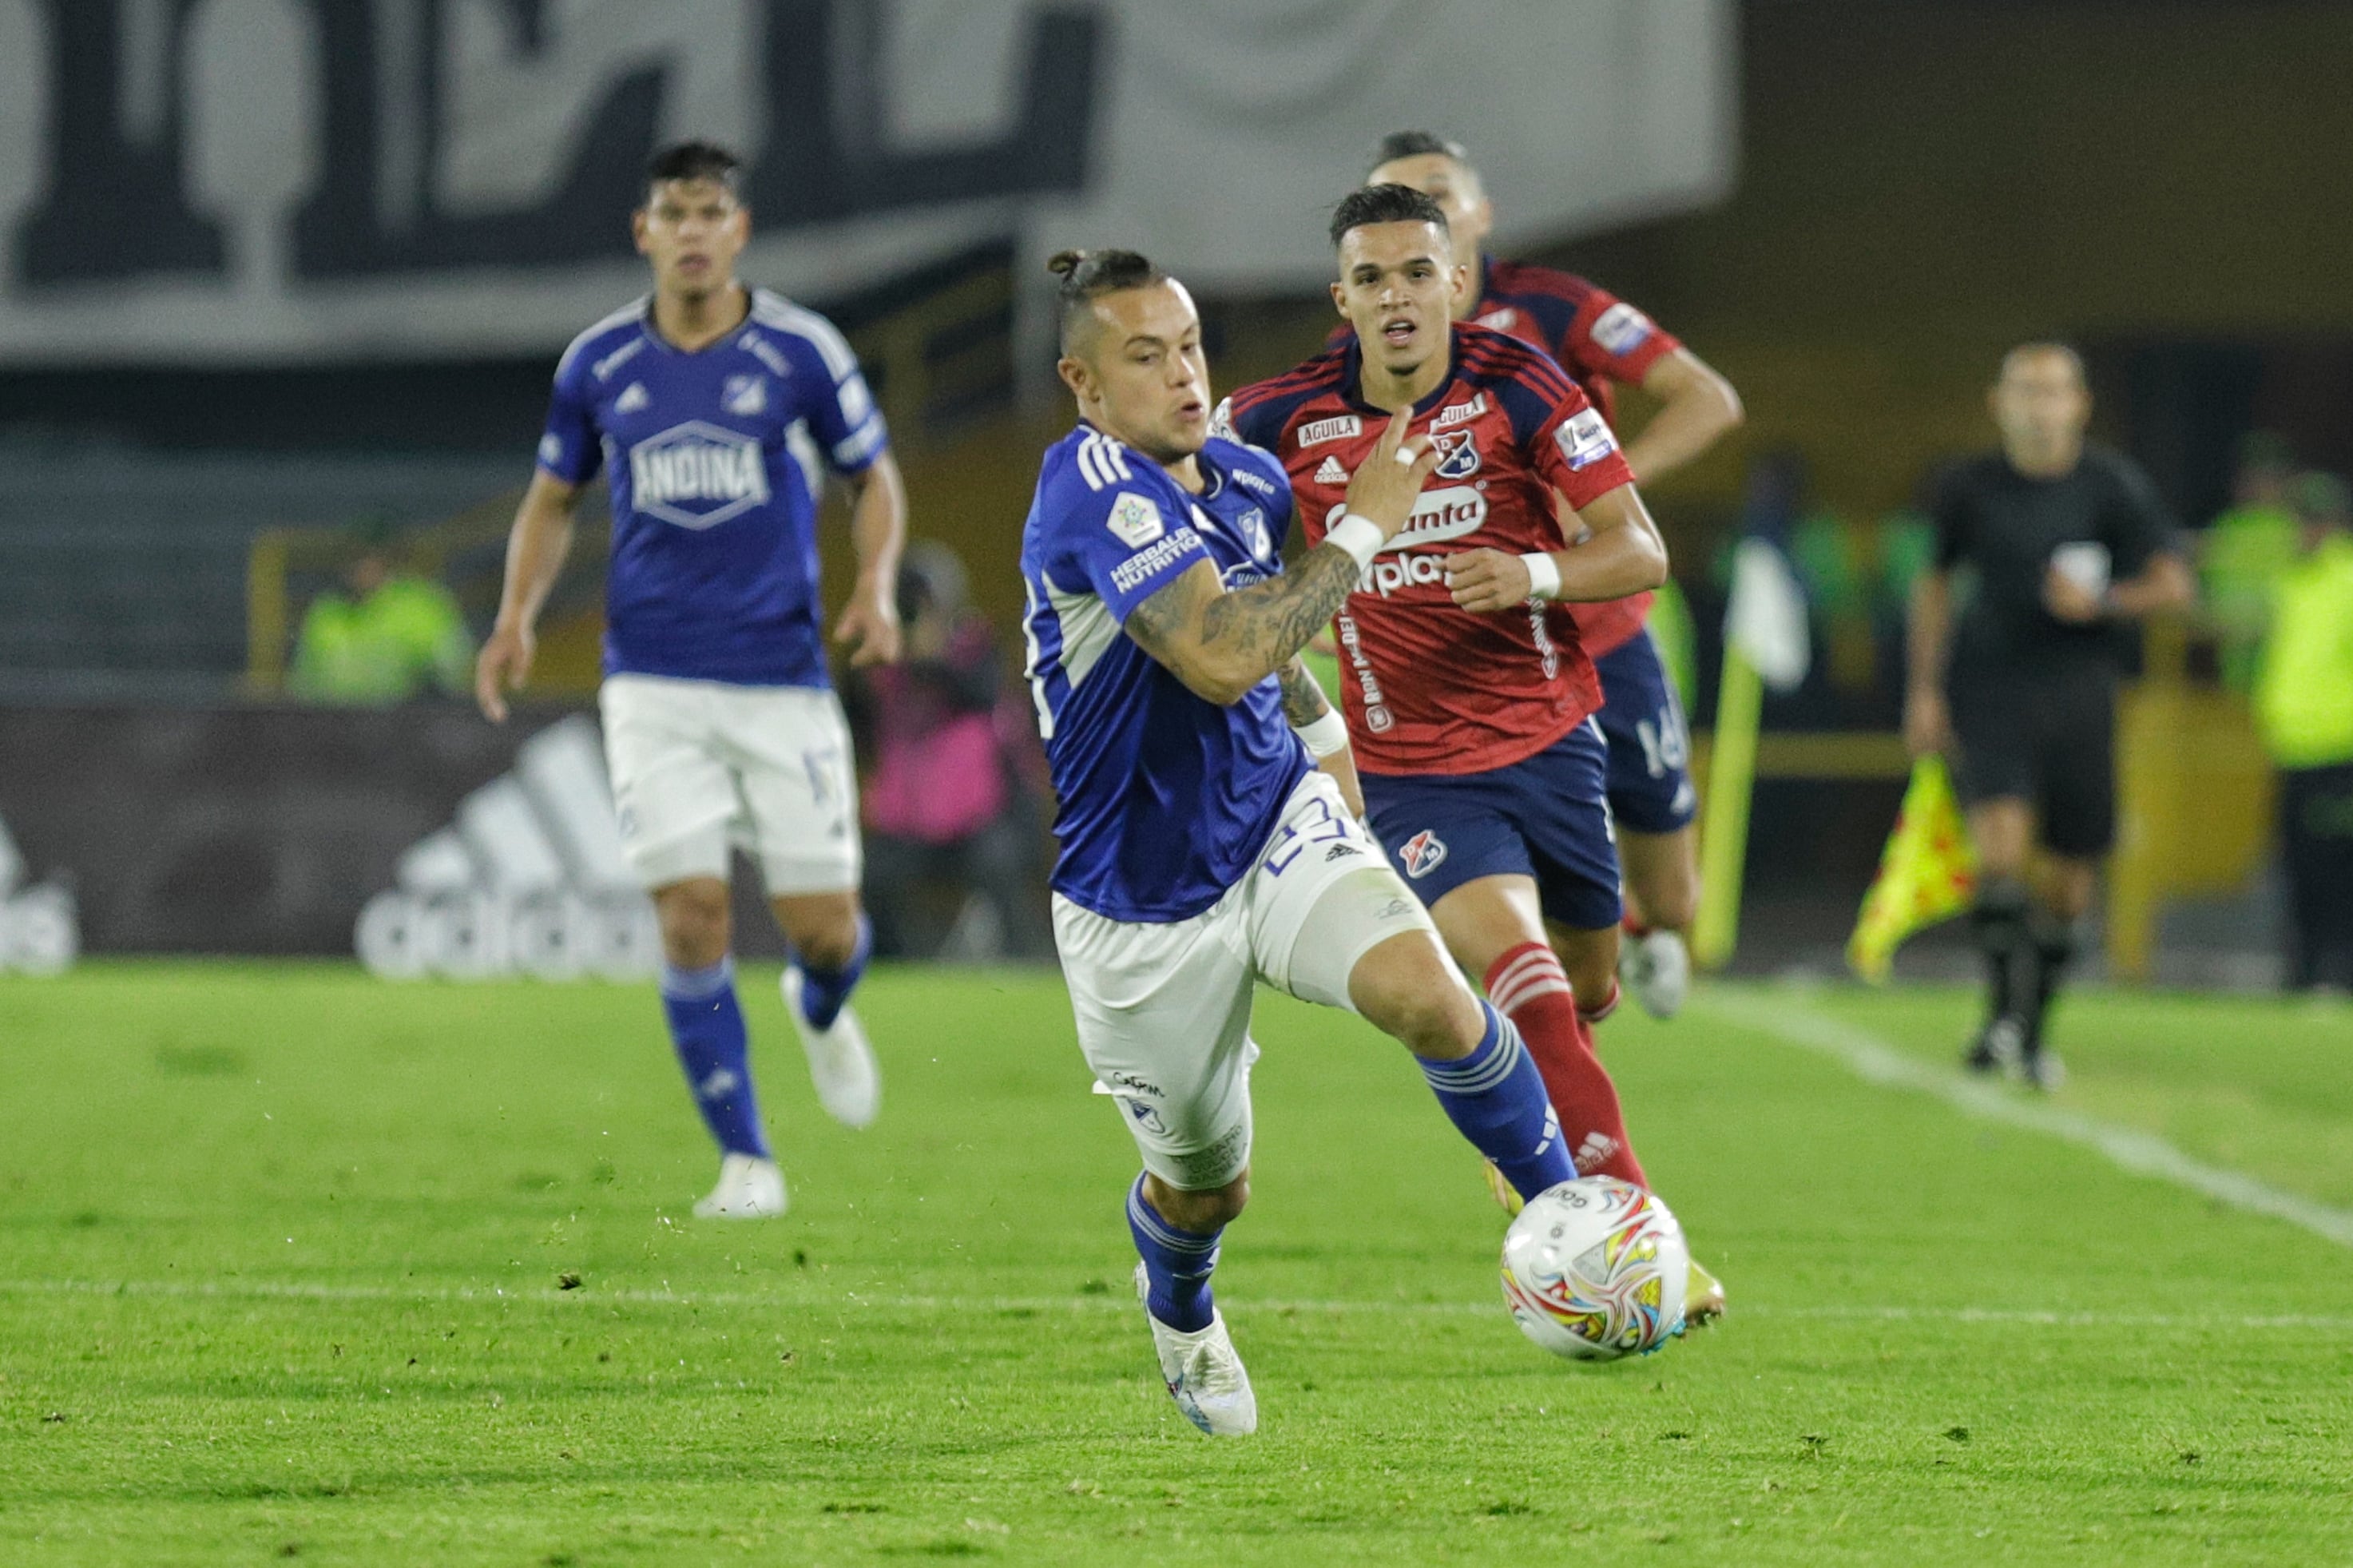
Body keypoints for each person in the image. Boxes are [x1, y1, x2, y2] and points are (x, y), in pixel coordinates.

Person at [1022, 248, 1577, 1437]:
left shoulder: (1241, 476)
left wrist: (1325, 751)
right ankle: (1178, 1306)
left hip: (1272, 815)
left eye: (1188, 346)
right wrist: (1366, 529)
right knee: (1208, 1185)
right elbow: (1220, 654)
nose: (1181, 374)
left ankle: (1579, 1229)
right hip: (1140, 898)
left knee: (1429, 996)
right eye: (1144, 355)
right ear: (1083, 380)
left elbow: (1273, 646)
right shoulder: (1089, 492)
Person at [1220, 185, 1724, 1324]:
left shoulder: (1517, 381)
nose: (1394, 297)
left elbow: (1635, 550)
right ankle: (1641, 1249)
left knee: (1586, 981)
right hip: (1410, 772)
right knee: (1531, 985)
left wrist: (1532, 572)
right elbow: (1196, 524)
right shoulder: (1272, 418)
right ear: (1338, 296)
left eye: (1414, 273)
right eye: (1370, 278)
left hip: (1551, 744)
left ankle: (1521, 1118)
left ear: (1453, 281)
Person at [475, 141, 907, 1219]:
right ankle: (747, 1160)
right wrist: (516, 615)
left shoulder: (802, 351)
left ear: (739, 230)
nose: (695, 231)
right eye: (675, 212)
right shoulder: (598, 363)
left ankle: (818, 1004)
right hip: (652, 679)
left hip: (782, 677)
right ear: (645, 232)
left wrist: (881, 586)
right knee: (692, 914)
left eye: (713, 211)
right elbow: (551, 498)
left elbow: (873, 477)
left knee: (826, 931)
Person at [1363, 132, 1746, 1019]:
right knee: (1522, 924)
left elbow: (1708, 397)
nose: (1419, 219)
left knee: (1676, 897)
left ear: (1480, 215)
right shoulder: (1368, 352)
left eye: (1436, 196)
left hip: (1600, 627)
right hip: (1479, 654)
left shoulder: (1550, 308)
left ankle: (1635, 929)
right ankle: (1551, 1096)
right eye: (1394, 204)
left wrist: (1601, 496)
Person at [1905, 343, 2194, 1087]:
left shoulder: (2111, 485)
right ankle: (2001, 1016)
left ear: (2080, 404)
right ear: (1998, 401)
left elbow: (2173, 582)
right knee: (1998, 853)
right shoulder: (1968, 487)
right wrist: (1925, 690)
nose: (2039, 405)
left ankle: (2034, 1030)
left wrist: (2105, 602)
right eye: (2024, 390)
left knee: (2069, 881)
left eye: (2053, 390)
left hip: (2081, 694)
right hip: (1992, 686)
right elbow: (1934, 584)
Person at [853, 541, 1051, 960]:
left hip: (974, 818)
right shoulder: (884, 654)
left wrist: (930, 655)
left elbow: (980, 691)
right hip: (909, 823)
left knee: (1001, 866)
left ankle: (1026, 962)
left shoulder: (972, 644)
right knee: (874, 876)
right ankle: (897, 969)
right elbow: (852, 698)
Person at [2252, 471, 2353, 990]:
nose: (2306, 530)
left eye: (2315, 521)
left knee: (2339, 867)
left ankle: (2340, 972)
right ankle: (2305, 971)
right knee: (2299, 868)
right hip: (2291, 749)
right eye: (2301, 521)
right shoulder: (2291, 583)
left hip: (2340, 749)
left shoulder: (2348, 579)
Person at [289, 517, 474, 705]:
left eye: (372, 555)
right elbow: (302, 687)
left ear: (391, 557)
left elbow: (460, 675)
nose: (364, 565)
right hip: (331, 726)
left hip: (407, 725)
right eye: (356, 556)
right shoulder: (326, 611)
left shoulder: (422, 605)